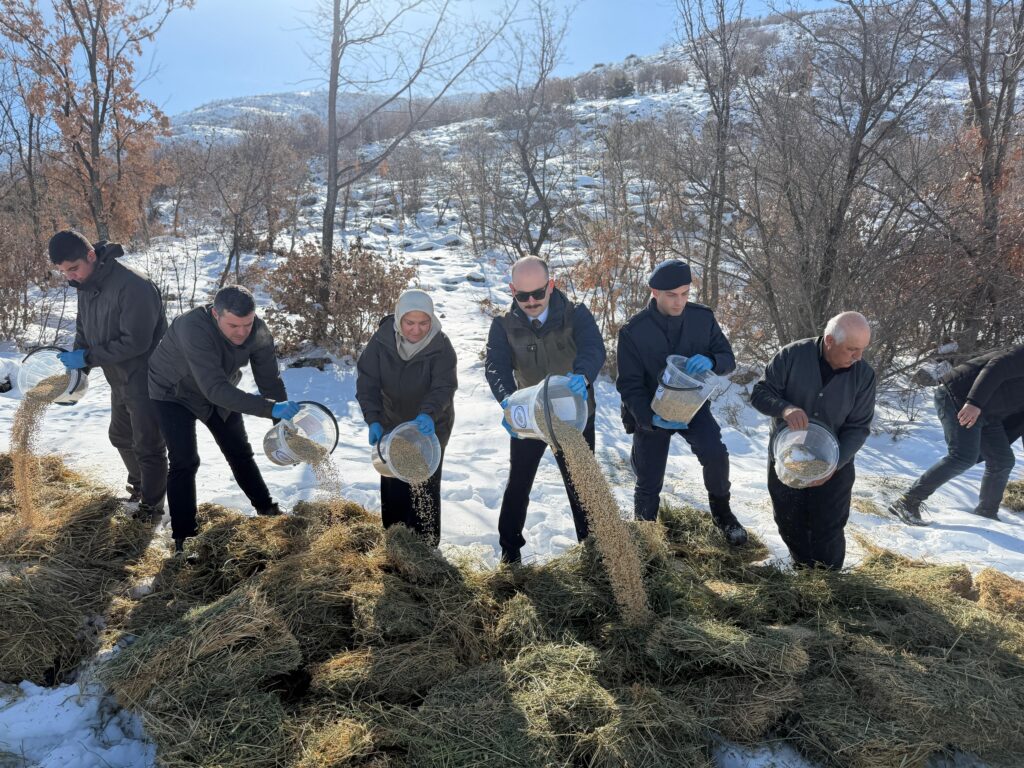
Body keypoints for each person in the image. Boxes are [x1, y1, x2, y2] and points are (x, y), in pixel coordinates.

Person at [147, 285, 300, 554]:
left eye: (247, 324)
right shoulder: (192, 328)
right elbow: (214, 388)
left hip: (218, 390)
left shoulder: (258, 330)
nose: (242, 332)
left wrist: (281, 422)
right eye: (233, 325)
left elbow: (269, 380)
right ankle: (185, 537)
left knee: (239, 451)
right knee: (184, 460)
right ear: (216, 314)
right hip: (172, 391)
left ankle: (267, 509)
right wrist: (269, 409)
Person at [616, 259, 748, 545]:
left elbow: (728, 358)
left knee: (715, 453)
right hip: (650, 408)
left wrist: (712, 360)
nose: (679, 302)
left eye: (685, 294)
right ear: (654, 292)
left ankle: (723, 513)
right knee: (649, 479)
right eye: (671, 295)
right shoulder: (633, 332)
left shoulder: (702, 319)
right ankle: (645, 533)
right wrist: (648, 418)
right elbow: (629, 385)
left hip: (692, 403)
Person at [485, 255, 606, 564]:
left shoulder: (575, 314)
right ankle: (509, 552)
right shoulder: (503, 324)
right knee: (519, 483)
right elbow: (496, 368)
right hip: (529, 415)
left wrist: (583, 374)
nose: (531, 301)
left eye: (538, 293)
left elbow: (594, 348)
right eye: (522, 295)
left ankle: (592, 548)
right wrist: (508, 403)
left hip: (573, 413)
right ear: (512, 290)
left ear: (551, 285)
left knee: (582, 483)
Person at [47, 229, 168, 521]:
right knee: (121, 436)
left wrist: (88, 357)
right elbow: (83, 331)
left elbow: (136, 342)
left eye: (73, 269)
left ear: (91, 255)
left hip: (149, 378)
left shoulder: (133, 285)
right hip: (120, 377)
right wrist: (77, 370)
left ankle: (152, 509)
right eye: (64, 272)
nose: (70, 277)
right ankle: (141, 488)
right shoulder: (86, 284)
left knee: (148, 445)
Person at [751, 312, 876, 570]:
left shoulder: (863, 376)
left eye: (862, 350)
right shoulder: (792, 356)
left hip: (835, 459)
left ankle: (828, 579)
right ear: (830, 341)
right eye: (852, 349)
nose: (858, 357)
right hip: (788, 457)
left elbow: (858, 426)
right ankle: (801, 567)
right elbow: (761, 393)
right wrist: (784, 408)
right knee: (788, 518)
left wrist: (835, 464)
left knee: (828, 524)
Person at [356, 289, 457, 546]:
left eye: (424, 322)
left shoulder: (441, 347)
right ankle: (396, 541)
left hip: (430, 426)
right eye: (409, 322)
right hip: (392, 424)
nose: (416, 329)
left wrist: (428, 414)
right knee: (394, 482)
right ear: (399, 318)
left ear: (432, 321)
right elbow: (367, 384)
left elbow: (443, 387)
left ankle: (426, 546)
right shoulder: (380, 343)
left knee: (424, 483)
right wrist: (374, 419)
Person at [888, 344, 1024, 525]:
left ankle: (987, 514)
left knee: (1002, 460)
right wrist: (974, 402)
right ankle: (908, 502)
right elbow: (997, 366)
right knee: (963, 456)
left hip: (988, 414)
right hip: (960, 398)